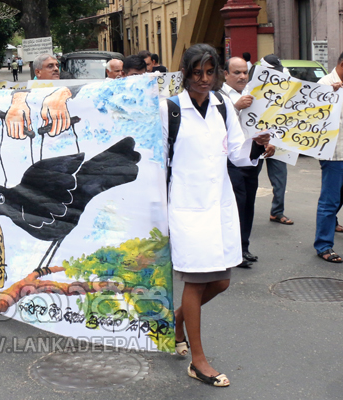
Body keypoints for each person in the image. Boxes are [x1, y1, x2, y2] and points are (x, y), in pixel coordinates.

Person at [162, 44, 270, 387]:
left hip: (218, 205)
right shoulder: (170, 110)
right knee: (196, 282)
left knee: (221, 281)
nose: (204, 79)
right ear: (185, 73)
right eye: (197, 72)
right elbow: (156, 162)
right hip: (186, 207)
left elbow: (237, 153)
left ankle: (176, 321)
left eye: (210, 72)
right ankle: (198, 361)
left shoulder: (222, 106)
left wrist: (258, 145)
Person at [220, 56, 275, 268]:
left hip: (252, 158)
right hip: (231, 160)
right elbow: (217, 125)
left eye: (245, 72)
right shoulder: (219, 96)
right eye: (237, 72)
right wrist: (236, 107)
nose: (242, 76)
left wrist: (269, 143)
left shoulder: (255, 93)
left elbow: (266, 121)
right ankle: (232, 250)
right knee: (236, 205)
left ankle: (244, 247)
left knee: (248, 204)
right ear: (226, 74)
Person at [253, 54, 294, 225]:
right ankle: (243, 211)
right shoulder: (251, 87)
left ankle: (277, 212)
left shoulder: (286, 85)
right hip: (256, 140)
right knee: (249, 179)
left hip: (278, 140)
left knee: (280, 179)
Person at [314, 52, 343, 263]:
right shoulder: (324, 84)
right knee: (329, 200)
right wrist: (328, 95)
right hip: (334, 153)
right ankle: (323, 245)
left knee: (337, 198)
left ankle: (331, 223)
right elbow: (311, 114)